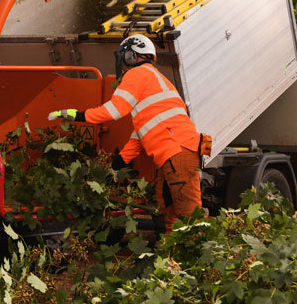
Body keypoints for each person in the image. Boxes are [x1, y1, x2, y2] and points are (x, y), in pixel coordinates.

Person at [48, 34, 204, 232]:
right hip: (176, 152)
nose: (121, 62)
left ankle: (196, 254)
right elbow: (142, 131)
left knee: (189, 215)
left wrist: (77, 115)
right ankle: (171, 255)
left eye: (123, 56)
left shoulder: (137, 75)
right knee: (166, 209)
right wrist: (121, 160)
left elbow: (113, 111)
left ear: (132, 56)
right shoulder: (153, 77)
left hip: (177, 151)